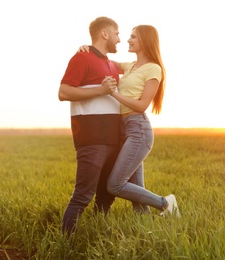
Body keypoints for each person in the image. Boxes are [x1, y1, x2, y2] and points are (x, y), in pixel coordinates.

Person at [80, 25, 181, 217]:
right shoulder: (130, 67)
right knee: (137, 195)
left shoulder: (154, 69)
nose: (128, 40)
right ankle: (145, 234)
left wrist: (114, 94)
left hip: (138, 130)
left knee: (115, 184)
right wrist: (87, 48)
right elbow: (105, 61)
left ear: (145, 40)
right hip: (125, 131)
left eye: (133, 37)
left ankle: (165, 203)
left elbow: (142, 105)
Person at [58, 16, 122, 237]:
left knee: (106, 196)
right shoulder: (81, 58)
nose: (119, 39)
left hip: (115, 141)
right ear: (104, 34)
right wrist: (100, 91)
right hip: (92, 139)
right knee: (82, 196)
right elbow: (63, 92)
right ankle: (66, 245)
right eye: (116, 33)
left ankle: (97, 238)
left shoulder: (112, 64)